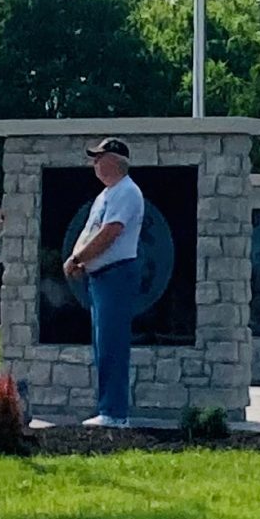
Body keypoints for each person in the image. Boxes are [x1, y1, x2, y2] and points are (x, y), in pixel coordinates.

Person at [62, 136, 145, 426]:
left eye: (99, 157)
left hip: (117, 275)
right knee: (102, 343)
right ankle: (106, 408)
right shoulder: (105, 195)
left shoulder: (126, 192)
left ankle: (115, 412)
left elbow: (110, 233)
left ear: (115, 161)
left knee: (113, 343)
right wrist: (79, 259)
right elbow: (90, 229)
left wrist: (77, 258)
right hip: (99, 277)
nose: (95, 163)